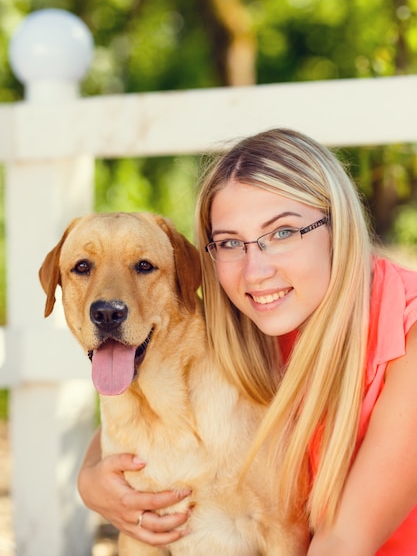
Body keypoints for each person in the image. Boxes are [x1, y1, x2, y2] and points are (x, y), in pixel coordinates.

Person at [78, 128, 417, 555]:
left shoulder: (407, 334)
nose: (255, 271)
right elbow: (152, 407)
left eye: (282, 233)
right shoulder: (249, 326)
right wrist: (90, 479)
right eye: (230, 243)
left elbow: (345, 541)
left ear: (337, 226)